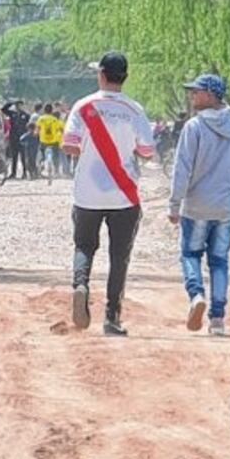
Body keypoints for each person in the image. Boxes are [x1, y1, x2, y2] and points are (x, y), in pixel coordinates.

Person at [62, 52, 155, 336]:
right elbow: (148, 152)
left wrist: (90, 152)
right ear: (124, 77)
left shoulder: (83, 106)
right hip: (123, 195)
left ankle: (81, 285)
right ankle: (112, 318)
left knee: (84, 247)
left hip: (87, 193)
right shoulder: (134, 110)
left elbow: (68, 145)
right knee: (119, 256)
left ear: (101, 75)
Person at [168, 73, 230, 336]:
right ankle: (218, 319)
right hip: (225, 205)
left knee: (191, 255)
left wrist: (175, 204)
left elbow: (183, 168)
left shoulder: (194, 127)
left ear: (211, 95)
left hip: (197, 205)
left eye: (197, 91)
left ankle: (196, 295)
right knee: (219, 261)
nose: (192, 96)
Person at [4, 100, 30, 179]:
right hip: (14, 137)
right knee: (14, 156)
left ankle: (24, 173)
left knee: (23, 156)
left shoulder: (26, 115)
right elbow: (4, 109)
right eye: (17, 105)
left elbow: (29, 126)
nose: (19, 107)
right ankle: (13, 173)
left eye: (20, 105)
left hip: (22, 137)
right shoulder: (12, 114)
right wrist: (11, 102)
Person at [36, 103, 62, 177]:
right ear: (52, 110)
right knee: (56, 155)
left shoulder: (41, 118)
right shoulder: (55, 119)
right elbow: (58, 130)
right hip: (53, 141)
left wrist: (36, 134)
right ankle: (57, 171)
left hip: (43, 140)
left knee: (41, 153)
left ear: (44, 110)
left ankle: (41, 164)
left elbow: (37, 129)